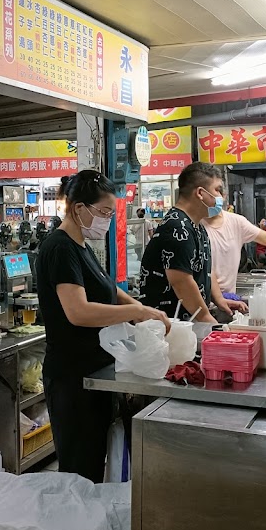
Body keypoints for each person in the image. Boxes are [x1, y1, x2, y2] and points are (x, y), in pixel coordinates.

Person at [35, 171, 170, 483]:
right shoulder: (60, 248)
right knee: (80, 474)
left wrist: (141, 310)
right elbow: (78, 311)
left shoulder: (81, 246)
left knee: (94, 465)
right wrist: (133, 311)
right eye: (105, 212)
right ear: (79, 208)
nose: (108, 220)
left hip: (93, 374)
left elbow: (108, 289)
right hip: (72, 379)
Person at [138, 162, 245, 324]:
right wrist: (207, 319)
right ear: (200, 193)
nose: (221, 197)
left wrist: (219, 300)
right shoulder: (177, 227)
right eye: (217, 190)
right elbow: (182, 282)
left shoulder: (196, 226)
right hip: (169, 326)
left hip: (188, 323)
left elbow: (207, 269)